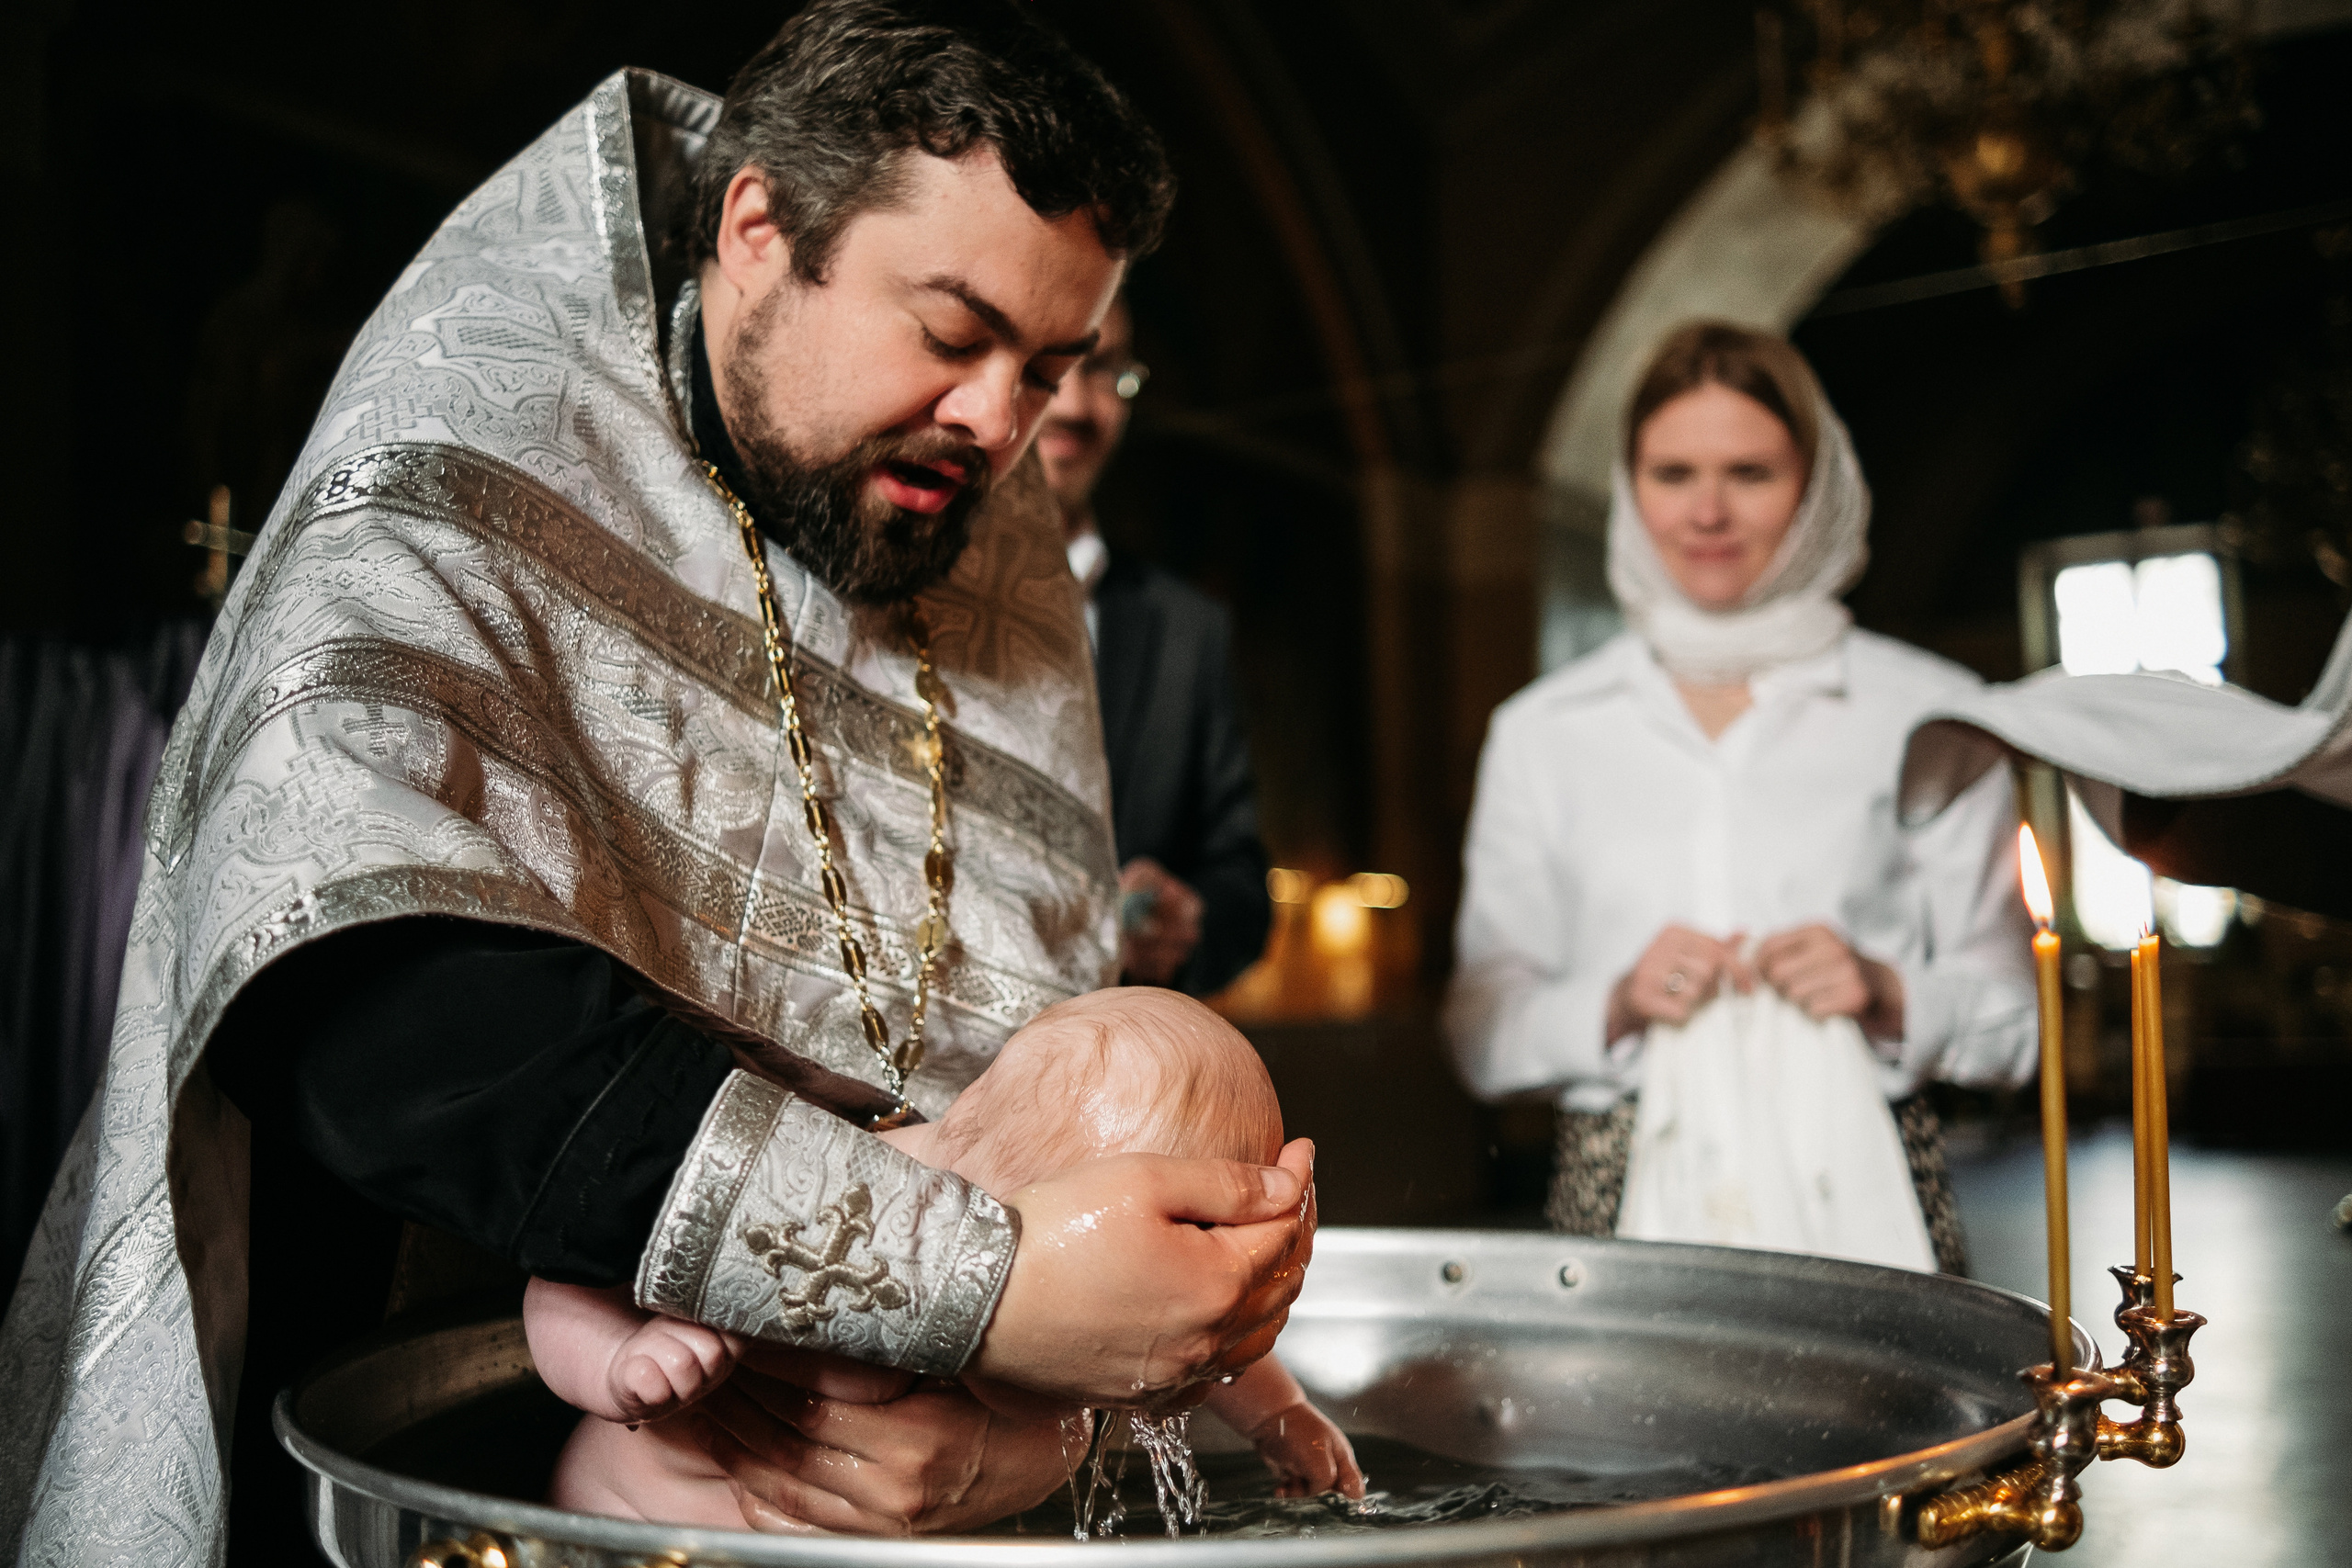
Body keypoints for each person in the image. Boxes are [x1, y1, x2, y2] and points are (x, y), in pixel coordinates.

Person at [0, 8, 1318, 1564]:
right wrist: (965, 1280)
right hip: (430, 1407)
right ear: (758, 228)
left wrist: (1040, 1368)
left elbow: (1017, 1069)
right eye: (954, 334)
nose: (1002, 423)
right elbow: (363, 990)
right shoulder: (489, 412)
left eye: (1050, 365)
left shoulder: (981, 526)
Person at [1444, 321, 2034, 1274]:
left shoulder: (1931, 712)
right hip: (1619, 1185)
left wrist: (1886, 991)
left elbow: (2018, 1022)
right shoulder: (1545, 729)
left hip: (1871, 1174)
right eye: (1672, 474)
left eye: (1750, 473)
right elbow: (1479, 1031)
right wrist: (1619, 1002)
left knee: (1899, 1428)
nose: (1706, 511)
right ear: (1629, 490)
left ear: (1815, 483)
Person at [530, 987, 1363, 1529]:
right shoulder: (824, 1206)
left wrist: (1276, 1411)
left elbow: (1193, 1329)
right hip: (632, 1527)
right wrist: (618, 1359)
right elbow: (565, 1270)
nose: (1150, 1341)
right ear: (991, 1201)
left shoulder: (1067, 1236)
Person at [1035, 297, 1272, 994]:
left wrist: (1188, 921)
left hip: (1116, 1071)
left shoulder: (1186, 628)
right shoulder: (901, 593)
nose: (1076, 405)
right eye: (1053, 367)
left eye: (1106, 369)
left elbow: (1243, 882)